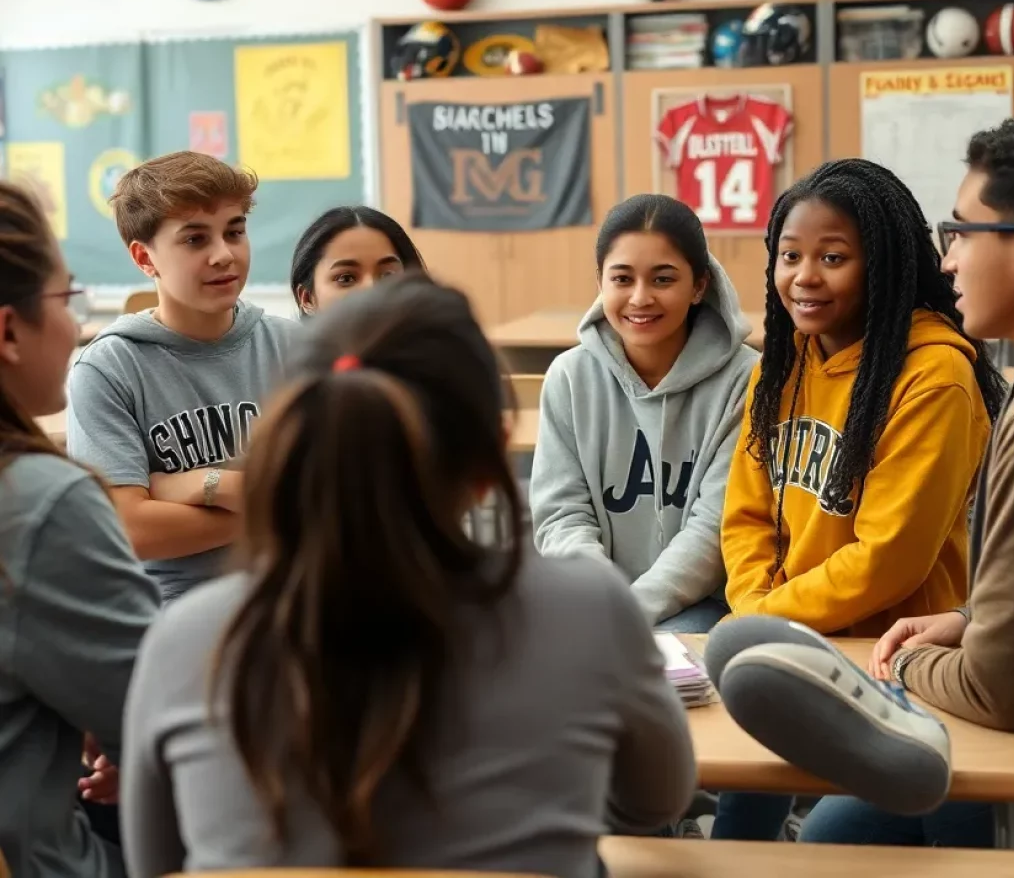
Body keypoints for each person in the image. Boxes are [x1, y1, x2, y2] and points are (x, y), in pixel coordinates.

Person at [120, 274, 696, 878]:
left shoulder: (188, 641)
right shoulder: (589, 609)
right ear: (490, 455)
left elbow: (153, 860)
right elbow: (655, 801)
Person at [713, 158, 1005, 842]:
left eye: (833, 257)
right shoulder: (784, 362)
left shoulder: (934, 376)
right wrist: (756, 616)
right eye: (790, 256)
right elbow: (745, 514)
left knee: (835, 844)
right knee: (740, 800)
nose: (804, 277)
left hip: (896, 659)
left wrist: (762, 626)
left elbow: (888, 560)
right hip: (797, 641)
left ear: (885, 266)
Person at [796, 118, 1014, 847]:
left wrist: (898, 665)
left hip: (986, 707)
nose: (948, 260)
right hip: (972, 663)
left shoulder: (945, 378)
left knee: (832, 843)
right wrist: (967, 623)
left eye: (961, 231)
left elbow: (996, 689)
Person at [0, 180, 159, 876]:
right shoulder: (39, 501)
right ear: (8, 330)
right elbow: (161, 723)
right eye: (69, 299)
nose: (77, 325)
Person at [66, 152, 298, 602]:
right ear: (144, 258)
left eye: (235, 232)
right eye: (195, 240)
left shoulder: (294, 347)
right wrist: (281, 506)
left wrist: (202, 484)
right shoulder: (109, 369)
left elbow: (340, 494)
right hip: (173, 606)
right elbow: (130, 530)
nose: (223, 255)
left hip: (294, 593)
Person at [531, 193, 757, 631]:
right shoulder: (569, 377)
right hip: (594, 603)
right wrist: (604, 604)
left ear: (699, 286)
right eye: (622, 278)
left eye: (662, 279)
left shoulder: (745, 381)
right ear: (601, 283)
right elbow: (562, 514)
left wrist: (631, 614)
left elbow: (714, 528)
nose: (640, 298)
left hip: (704, 604)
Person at [290, 205, 424, 316]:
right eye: (346, 278)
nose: (372, 289)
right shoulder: (285, 345)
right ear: (307, 298)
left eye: (388, 276)